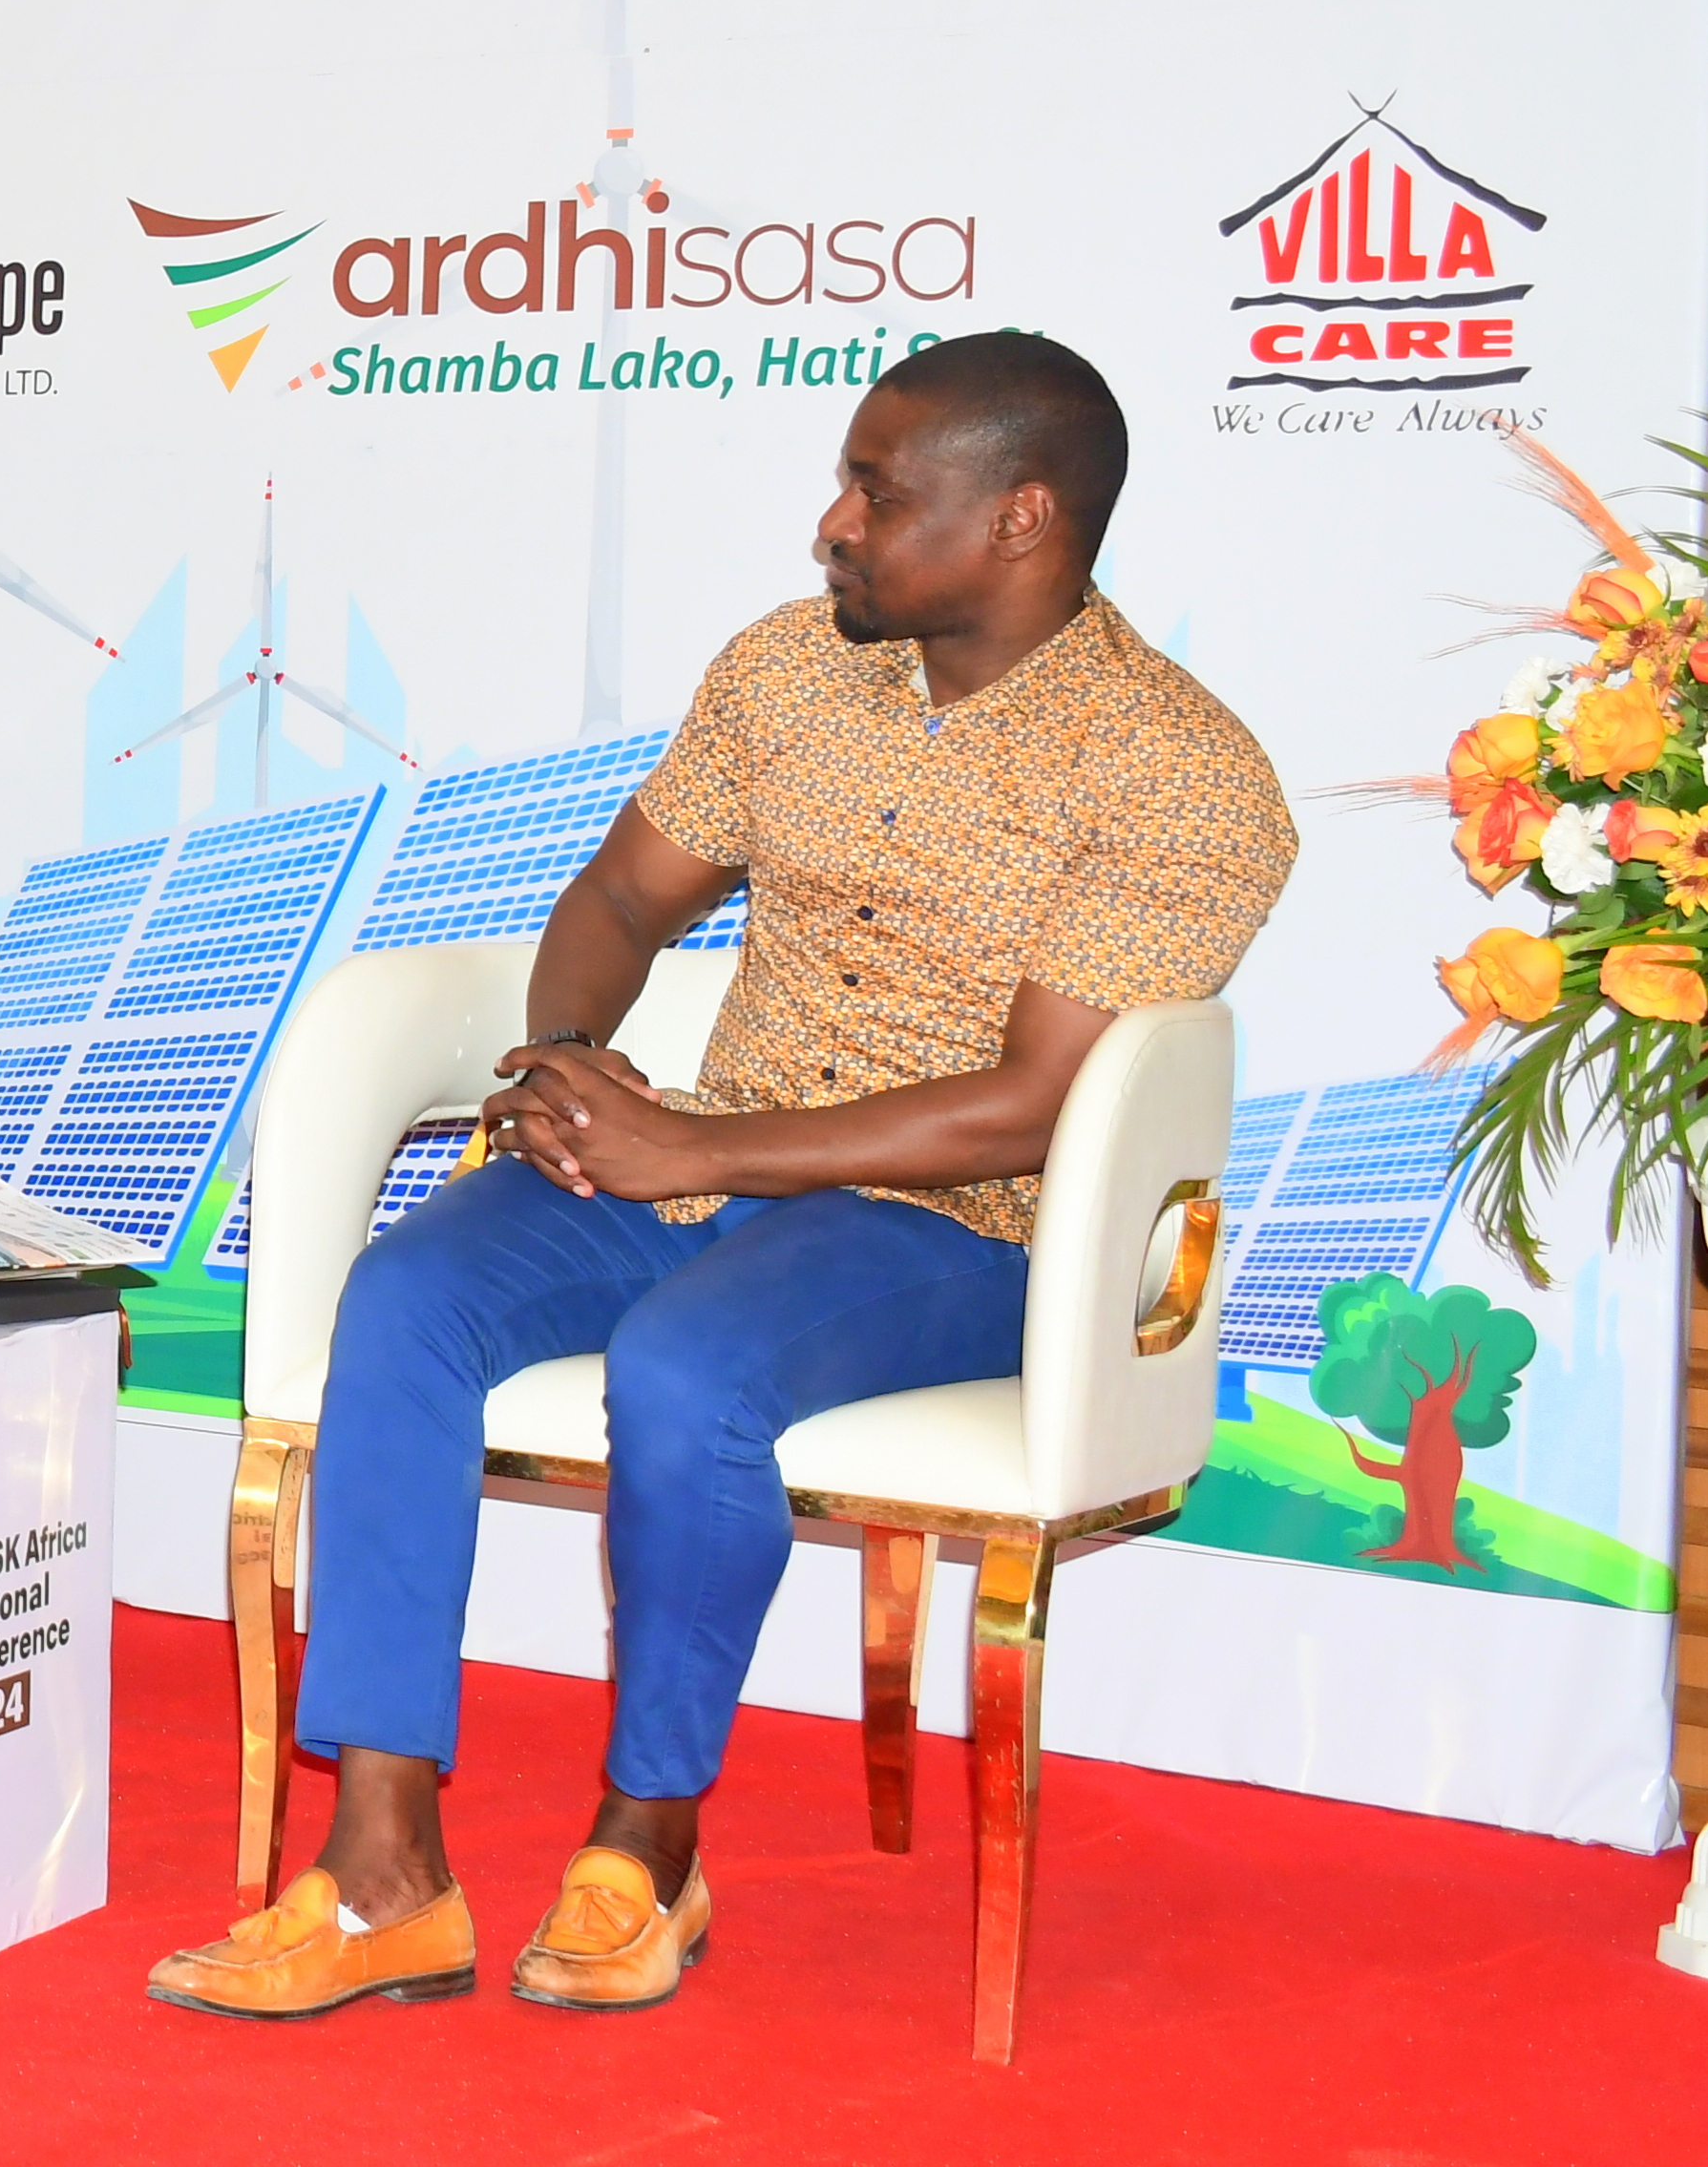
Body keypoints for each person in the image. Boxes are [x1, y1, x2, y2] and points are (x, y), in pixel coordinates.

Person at [145, 330, 1294, 2023]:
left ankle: (647, 1845)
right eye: (841, 480)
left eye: (875, 493)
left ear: (1017, 520)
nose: (829, 521)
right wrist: (560, 1064)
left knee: (686, 1370)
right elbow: (617, 900)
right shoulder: (781, 672)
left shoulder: (1178, 769)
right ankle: (381, 1864)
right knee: (399, 1302)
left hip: (954, 1226)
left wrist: (688, 1144)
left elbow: (1030, 1106)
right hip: (706, 1153)